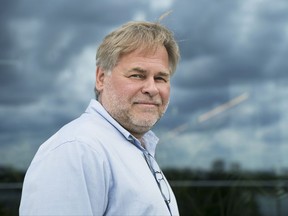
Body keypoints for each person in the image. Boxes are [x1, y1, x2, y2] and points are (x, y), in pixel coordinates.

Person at [20, 20, 180, 216]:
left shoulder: (131, 148)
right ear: (101, 78)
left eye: (161, 78)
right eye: (137, 75)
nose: (152, 88)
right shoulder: (77, 150)